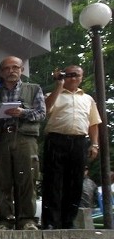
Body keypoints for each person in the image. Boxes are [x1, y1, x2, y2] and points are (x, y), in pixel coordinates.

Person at [0, 56, 46, 230]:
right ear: (1, 72)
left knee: (28, 179)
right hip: (1, 139)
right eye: (7, 68)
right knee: (2, 180)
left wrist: (22, 112)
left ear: (21, 70)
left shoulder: (34, 89)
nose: (11, 71)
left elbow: (41, 114)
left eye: (15, 67)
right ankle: (4, 221)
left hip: (25, 138)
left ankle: (28, 220)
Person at [42, 65, 101, 229]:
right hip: (56, 139)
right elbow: (45, 109)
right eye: (69, 75)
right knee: (53, 181)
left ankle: (68, 220)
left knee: (75, 182)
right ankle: (50, 221)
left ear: (82, 77)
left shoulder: (88, 99)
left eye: (77, 75)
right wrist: (58, 87)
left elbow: (94, 123)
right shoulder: (53, 94)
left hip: (79, 141)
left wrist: (94, 144)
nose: (73, 78)